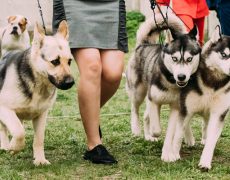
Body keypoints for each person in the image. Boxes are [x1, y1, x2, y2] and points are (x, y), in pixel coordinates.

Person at [53, 0, 128, 164]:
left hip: (111, 4)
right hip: (74, 4)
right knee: (92, 66)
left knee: (113, 74)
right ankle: (94, 145)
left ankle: (90, 118)